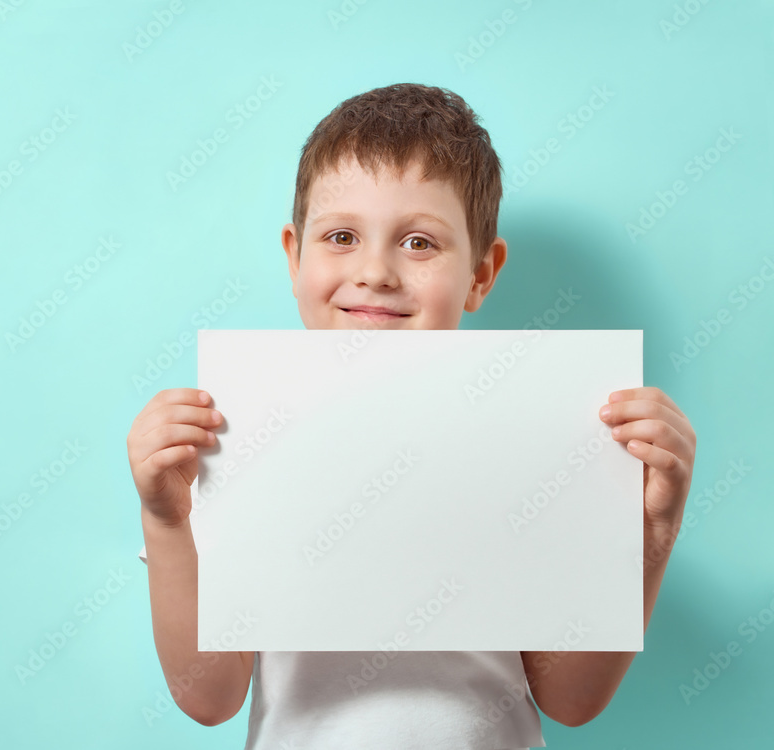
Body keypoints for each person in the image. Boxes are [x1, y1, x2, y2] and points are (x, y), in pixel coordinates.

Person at [127, 82, 697, 748]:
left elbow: (571, 699)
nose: (375, 271)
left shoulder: (535, 444)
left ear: (482, 275)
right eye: (341, 236)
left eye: (419, 244)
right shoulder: (233, 439)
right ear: (294, 255)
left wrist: (653, 527)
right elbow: (207, 698)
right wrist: (166, 518)